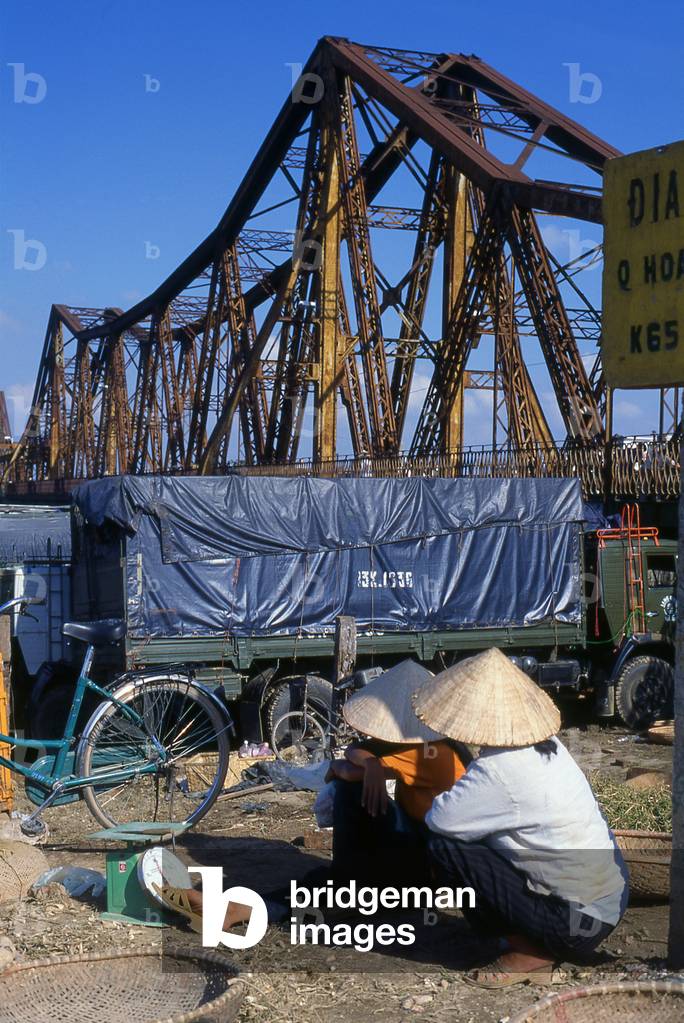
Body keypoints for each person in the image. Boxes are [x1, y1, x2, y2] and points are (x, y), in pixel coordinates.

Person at [412, 647, 629, 989]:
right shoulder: (548, 745)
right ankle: (535, 938)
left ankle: (528, 952)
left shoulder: (498, 770)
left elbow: (440, 819)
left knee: (445, 846)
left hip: (574, 924)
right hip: (609, 903)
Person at [324, 659, 468, 887]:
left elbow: (349, 773)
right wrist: (371, 763)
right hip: (427, 838)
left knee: (349, 790)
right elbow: (359, 749)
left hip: (431, 851)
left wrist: (334, 766)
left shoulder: (426, 752)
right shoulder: (430, 743)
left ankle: (345, 877)